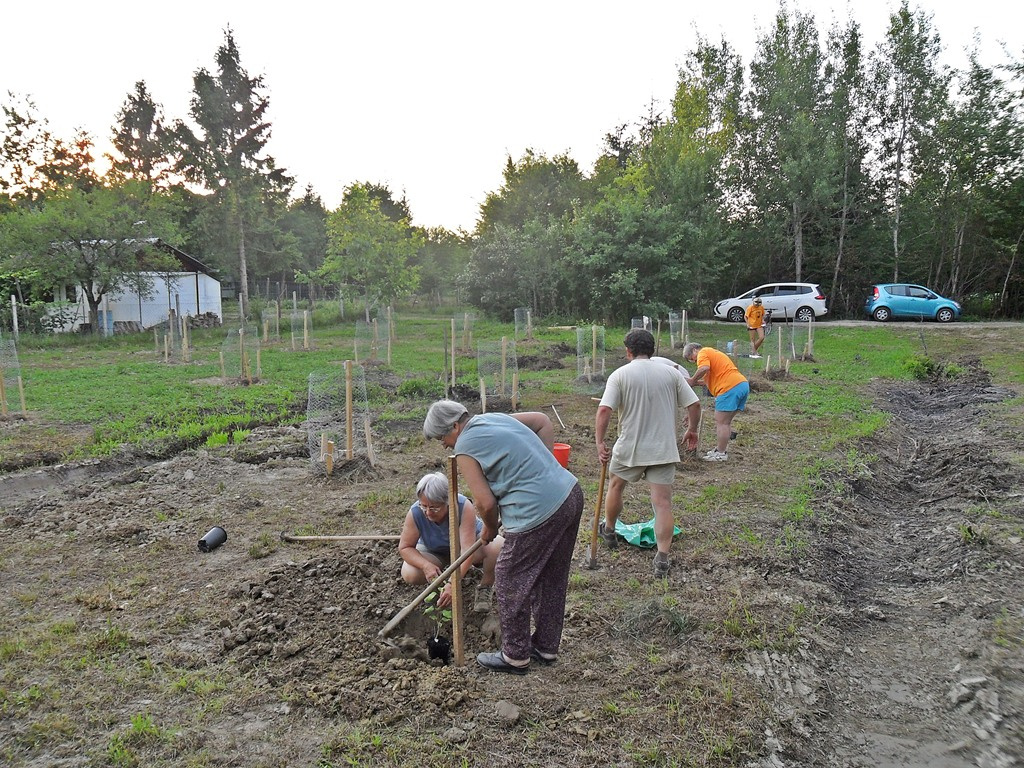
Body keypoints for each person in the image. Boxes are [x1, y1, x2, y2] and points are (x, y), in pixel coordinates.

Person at [423, 400, 584, 675]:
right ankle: (545, 646)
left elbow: (484, 504)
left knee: (508, 575)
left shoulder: (465, 446)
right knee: (551, 575)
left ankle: (515, 655)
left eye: (442, 436)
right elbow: (542, 420)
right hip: (569, 494)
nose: (444, 444)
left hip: (537, 512)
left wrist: (489, 527)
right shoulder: (494, 418)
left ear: (455, 425)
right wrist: (541, 470)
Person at [595, 329, 700, 577]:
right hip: (663, 449)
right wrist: (692, 429)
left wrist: (599, 442)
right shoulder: (671, 374)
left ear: (628, 351)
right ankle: (662, 557)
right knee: (662, 503)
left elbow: (604, 411)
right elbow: (694, 404)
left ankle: (609, 529)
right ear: (651, 350)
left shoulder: (620, 375)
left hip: (630, 447)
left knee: (616, 487)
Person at [398, 471, 504, 614]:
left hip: (467, 547)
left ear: (447, 502)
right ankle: (438, 588)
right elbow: (405, 547)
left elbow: (466, 551)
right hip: (434, 551)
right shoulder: (416, 512)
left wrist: (452, 583)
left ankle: (485, 587)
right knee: (410, 572)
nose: (428, 513)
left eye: (434, 507)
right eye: (424, 506)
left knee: (497, 547)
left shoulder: (462, 506)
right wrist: (425, 565)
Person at [682, 342, 750, 462]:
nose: (694, 361)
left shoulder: (703, 352)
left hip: (729, 388)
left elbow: (704, 368)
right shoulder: (712, 354)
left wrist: (692, 380)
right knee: (726, 422)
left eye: (691, 359)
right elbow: (711, 379)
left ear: (694, 350)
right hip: (741, 385)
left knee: (722, 422)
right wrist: (694, 382)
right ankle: (721, 449)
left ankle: (721, 453)